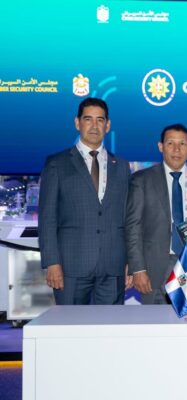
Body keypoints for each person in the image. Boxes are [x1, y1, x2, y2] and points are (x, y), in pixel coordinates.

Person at [39, 97, 131, 305]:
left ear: (108, 125)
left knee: (111, 324)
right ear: (77, 122)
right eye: (88, 119)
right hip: (70, 266)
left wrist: (130, 262)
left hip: (113, 267)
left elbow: (127, 218)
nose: (94, 125)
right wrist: (52, 262)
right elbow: (47, 218)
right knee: (69, 324)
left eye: (100, 120)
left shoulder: (121, 166)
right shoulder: (57, 164)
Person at [126, 123, 187, 304]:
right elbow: (133, 226)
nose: (177, 149)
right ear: (160, 146)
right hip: (154, 268)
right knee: (155, 321)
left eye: (182, 144)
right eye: (170, 143)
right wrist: (138, 269)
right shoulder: (142, 180)